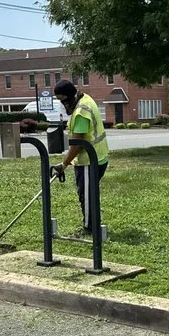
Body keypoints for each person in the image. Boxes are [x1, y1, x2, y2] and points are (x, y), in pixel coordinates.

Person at [53, 79, 109, 232]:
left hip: (89, 161)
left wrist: (64, 164)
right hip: (99, 157)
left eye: (63, 100)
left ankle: (90, 229)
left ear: (70, 97)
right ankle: (92, 226)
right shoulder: (85, 99)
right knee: (90, 193)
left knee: (87, 196)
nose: (63, 105)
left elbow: (78, 144)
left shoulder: (81, 112)